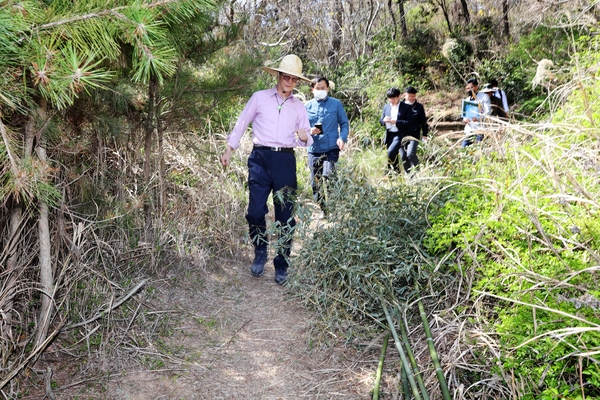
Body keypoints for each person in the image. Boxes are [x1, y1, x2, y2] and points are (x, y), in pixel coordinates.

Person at [220, 54, 313, 285]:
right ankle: (260, 251)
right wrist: (230, 148)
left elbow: (307, 138)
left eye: (294, 79)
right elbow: (242, 121)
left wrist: (304, 137)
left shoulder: (299, 106)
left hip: (285, 161)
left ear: (297, 82)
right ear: (279, 76)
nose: (290, 82)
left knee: (285, 216)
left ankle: (282, 263)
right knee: (254, 211)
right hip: (260, 158)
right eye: (287, 77)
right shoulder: (259, 98)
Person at [305, 76, 349, 218]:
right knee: (315, 183)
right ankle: (324, 209)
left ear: (328, 88)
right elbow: (300, 127)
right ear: (312, 89)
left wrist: (342, 138)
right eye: (317, 88)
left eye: (323, 88)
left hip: (331, 147)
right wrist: (309, 131)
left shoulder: (336, 104)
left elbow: (344, 123)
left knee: (328, 174)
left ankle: (335, 205)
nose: (320, 90)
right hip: (314, 148)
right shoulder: (307, 107)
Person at [380, 86, 429, 173]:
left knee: (409, 153)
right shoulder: (388, 107)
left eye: (393, 98)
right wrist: (384, 121)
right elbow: (381, 120)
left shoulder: (411, 107)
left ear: (398, 96)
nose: (391, 100)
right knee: (400, 156)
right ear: (404, 95)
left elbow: (417, 122)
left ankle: (418, 173)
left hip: (408, 134)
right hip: (394, 134)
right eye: (389, 98)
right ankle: (401, 174)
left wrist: (425, 134)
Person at [462, 78, 491, 147]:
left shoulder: (484, 97)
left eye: (471, 87)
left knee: (479, 148)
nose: (469, 90)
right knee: (464, 148)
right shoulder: (466, 100)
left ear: (476, 86)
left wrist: (478, 118)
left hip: (480, 129)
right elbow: (464, 116)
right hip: (469, 130)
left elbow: (488, 112)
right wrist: (465, 119)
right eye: (467, 88)